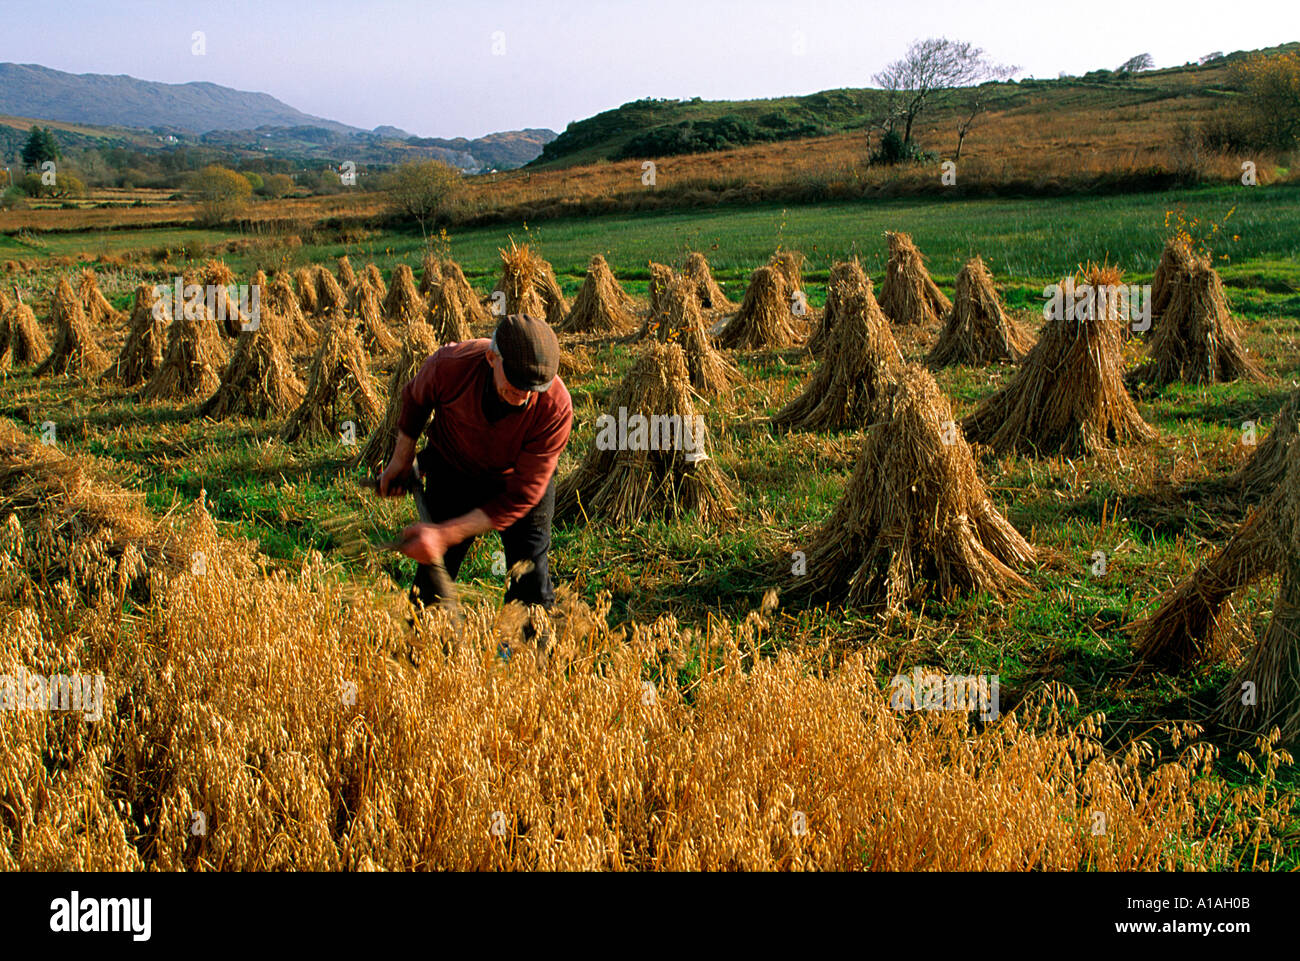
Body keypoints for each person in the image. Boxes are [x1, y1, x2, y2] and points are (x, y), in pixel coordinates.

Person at [379, 313, 572, 633]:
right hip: (454, 467)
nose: (524, 395)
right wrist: (402, 460)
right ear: (491, 358)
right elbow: (415, 399)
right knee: (431, 581)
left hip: (517, 481)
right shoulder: (450, 366)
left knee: (532, 585)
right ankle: (418, 661)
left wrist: (444, 533)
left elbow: (523, 495)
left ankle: (530, 666)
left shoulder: (555, 406)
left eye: (534, 388)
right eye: (515, 383)